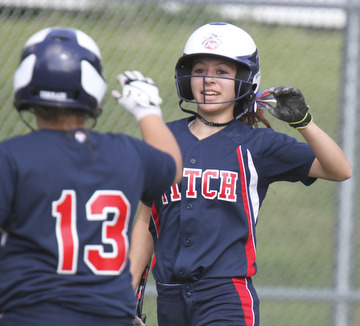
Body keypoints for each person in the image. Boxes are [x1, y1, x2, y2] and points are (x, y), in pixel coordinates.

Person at [129, 22, 351, 326]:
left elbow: (340, 169)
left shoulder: (258, 144)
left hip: (225, 296)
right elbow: (146, 222)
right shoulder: (163, 138)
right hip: (169, 295)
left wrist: (304, 122)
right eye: (200, 70)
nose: (208, 80)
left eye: (222, 72)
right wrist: (125, 296)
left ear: (245, 80)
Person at [0, 26, 182, 326]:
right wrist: (147, 110)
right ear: (92, 88)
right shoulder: (125, 153)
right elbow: (173, 167)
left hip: (31, 315)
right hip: (110, 316)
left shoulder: (11, 157)